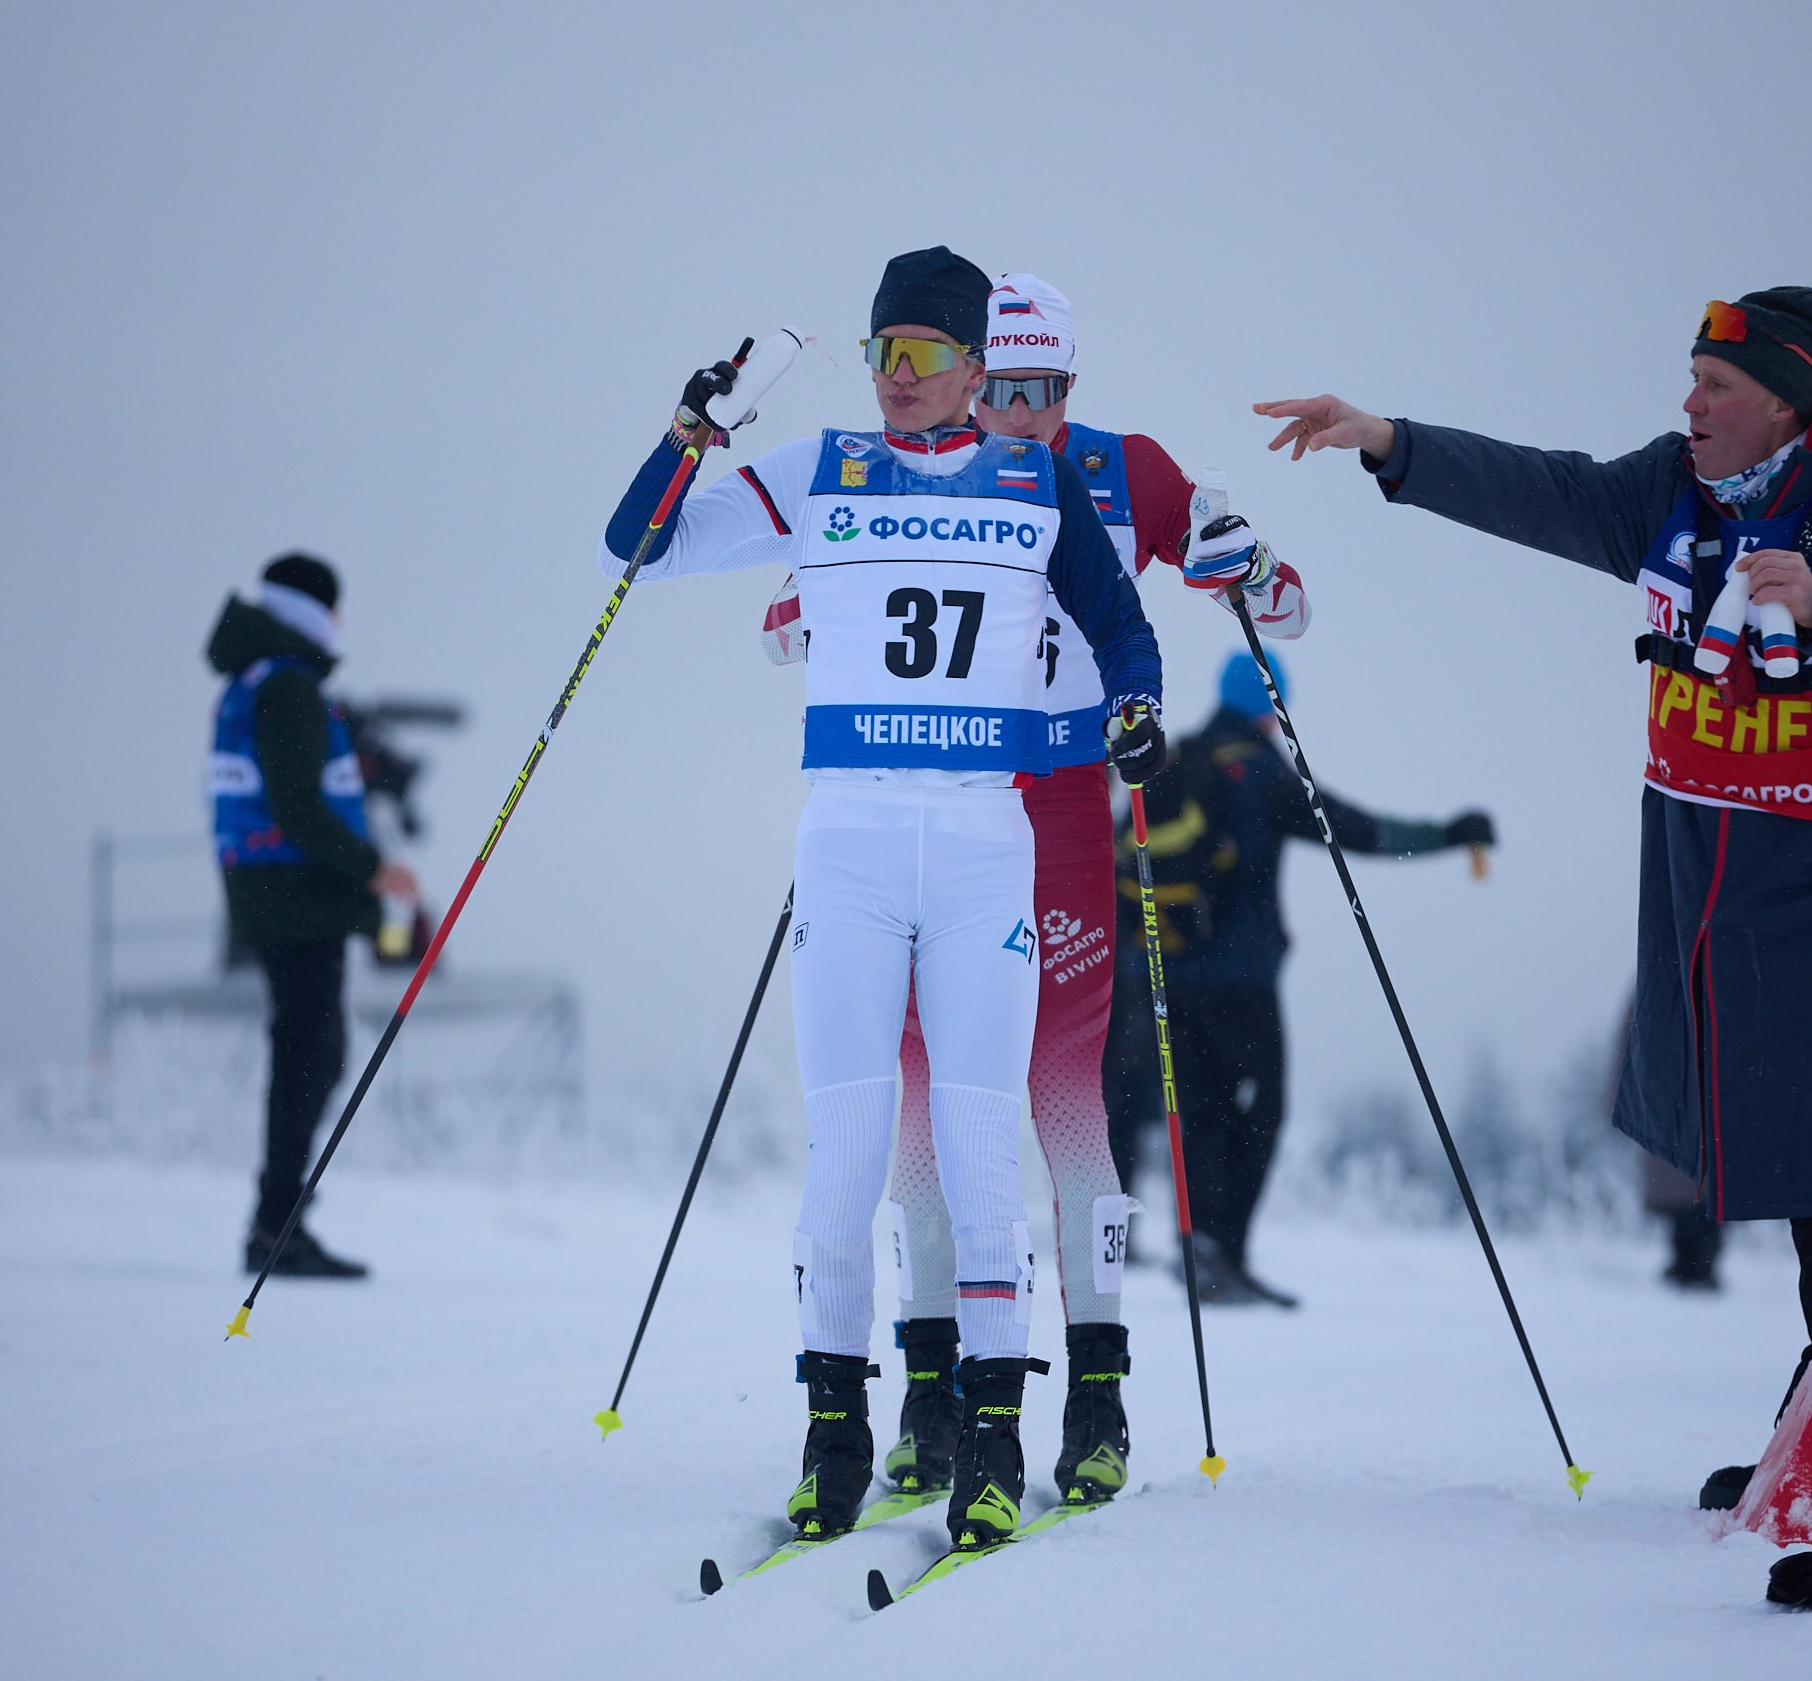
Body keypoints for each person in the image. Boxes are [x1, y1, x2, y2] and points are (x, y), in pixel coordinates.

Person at [1255, 288, 1812, 1488]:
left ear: (1783, 406)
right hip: (1705, 858)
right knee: (1793, 1129)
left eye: (1715, 385)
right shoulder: (1669, 491)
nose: (1689, 403)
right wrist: (1388, 440)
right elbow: (1546, 491)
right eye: (1691, 378)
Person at [598, 248, 1163, 1552]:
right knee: (846, 1160)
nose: (896, 376)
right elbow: (640, 548)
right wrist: (686, 436)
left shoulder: (1034, 480)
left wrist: (1135, 705)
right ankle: (833, 1438)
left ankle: (991, 1439)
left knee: (978, 1152)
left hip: (980, 851)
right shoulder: (822, 470)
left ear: (974, 365)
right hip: (850, 850)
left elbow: (1121, 624)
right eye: (879, 352)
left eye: (921, 354)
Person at [759, 273, 1311, 1509]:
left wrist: (1250, 563)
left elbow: (1286, 611)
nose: (1013, 412)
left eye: (1037, 389)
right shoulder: (907, 474)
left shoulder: (1120, 470)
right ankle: (928, 1393)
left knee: (1065, 1104)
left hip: (1055, 822)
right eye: (995, 386)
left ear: (1069, 385)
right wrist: (803, 611)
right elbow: (803, 611)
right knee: (914, 1111)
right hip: (923, 806)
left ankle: (1095, 1400)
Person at [1111, 653, 1490, 1306]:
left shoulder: (1177, 763)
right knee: (1263, 1110)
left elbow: (1128, 864)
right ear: (1269, 707)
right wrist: (1446, 835)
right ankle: (1223, 1254)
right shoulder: (1259, 773)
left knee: (1199, 1115)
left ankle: (1202, 1254)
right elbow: (1353, 830)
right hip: (1241, 981)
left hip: (1167, 977)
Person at [205, 553, 417, 1281]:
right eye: (334, 608)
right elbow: (298, 805)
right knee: (310, 1054)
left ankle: (279, 1219)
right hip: (295, 895)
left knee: (312, 1051)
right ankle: (276, 1226)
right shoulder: (290, 687)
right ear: (314, 612)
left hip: (269, 888)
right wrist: (373, 867)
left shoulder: (255, 680)